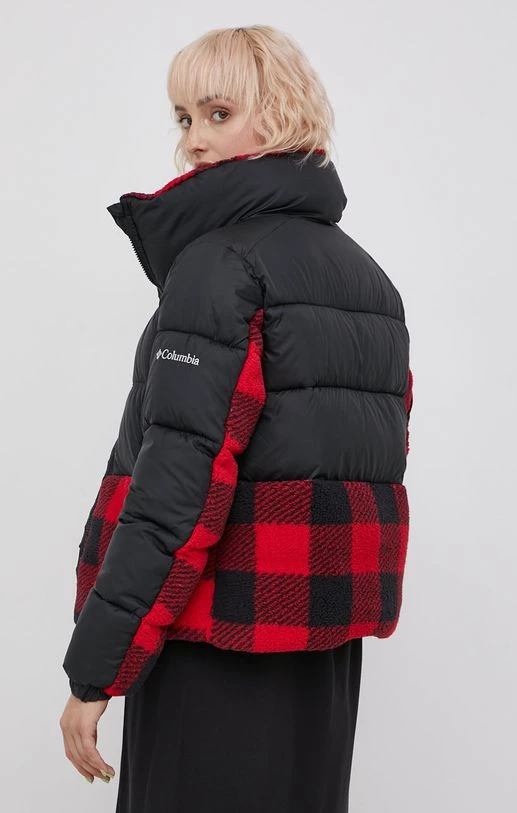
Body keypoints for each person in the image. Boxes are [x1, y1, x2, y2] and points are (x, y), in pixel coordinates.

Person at [59, 24, 414, 813]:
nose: (193, 141)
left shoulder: (220, 264)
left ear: (282, 113)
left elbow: (178, 485)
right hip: (319, 654)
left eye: (219, 114)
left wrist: (97, 670)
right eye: (185, 118)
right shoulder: (370, 280)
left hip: (216, 641)